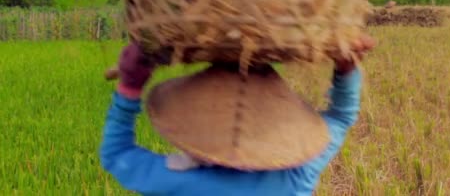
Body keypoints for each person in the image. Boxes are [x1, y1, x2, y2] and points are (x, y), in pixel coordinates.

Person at [100, 36, 375, 195]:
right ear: (275, 122)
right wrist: (346, 65)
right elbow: (341, 117)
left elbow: (116, 154)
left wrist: (130, 86)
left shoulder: (179, 181)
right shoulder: (292, 180)